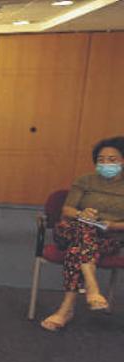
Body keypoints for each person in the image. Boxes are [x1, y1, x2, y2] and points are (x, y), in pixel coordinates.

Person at [40, 137, 124, 331]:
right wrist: (81, 213)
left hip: (107, 239)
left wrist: (112, 225)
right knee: (84, 228)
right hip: (68, 231)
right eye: (101, 159)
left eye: (112, 159)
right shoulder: (85, 180)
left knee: (79, 247)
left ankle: (66, 309)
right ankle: (92, 285)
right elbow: (67, 211)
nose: (105, 164)